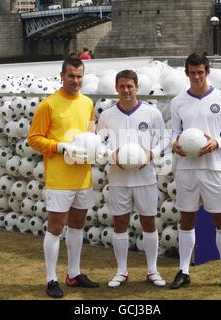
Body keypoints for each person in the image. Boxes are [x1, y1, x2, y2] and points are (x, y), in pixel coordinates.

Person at [27, 56, 99, 298]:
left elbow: (90, 135)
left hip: (83, 176)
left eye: (80, 76)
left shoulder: (88, 102)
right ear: (61, 76)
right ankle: (50, 279)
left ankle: (74, 273)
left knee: (78, 226)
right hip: (59, 178)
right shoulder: (48, 105)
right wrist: (60, 148)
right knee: (56, 227)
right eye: (71, 75)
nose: (76, 80)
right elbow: (34, 138)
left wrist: (97, 147)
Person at [169, 53, 221, 290]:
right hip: (186, 169)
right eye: (192, 72)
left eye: (201, 72)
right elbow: (173, 133)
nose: (197, 77)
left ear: (207, 71)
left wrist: (217, 143)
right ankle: (183, 271)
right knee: (187, 219)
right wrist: (175, 144)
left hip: (213, 168)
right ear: (186, 73)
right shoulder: (178, 101)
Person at [96, 70, 170, 288]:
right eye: (122, 87)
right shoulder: (107, 115)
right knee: (120, 223)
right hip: (118, 178)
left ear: (137, 87)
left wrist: (151, 154)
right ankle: (121, 271)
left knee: (148, 222)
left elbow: (164, 138)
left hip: (145, 177)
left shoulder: (151, 112)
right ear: (116, 88)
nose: (126, 90)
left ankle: (152, 270)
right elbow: (99, 145)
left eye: (130, 86)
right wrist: (112, 156)